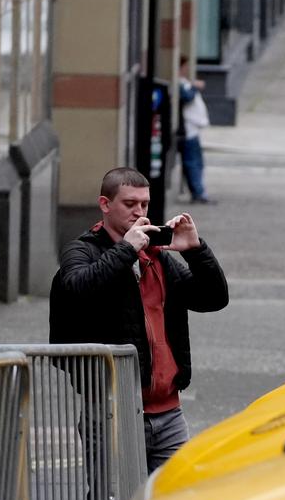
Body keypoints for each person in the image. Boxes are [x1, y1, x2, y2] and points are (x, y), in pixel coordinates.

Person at [50, 168, 229, 474]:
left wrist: (196, 250)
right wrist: (126, 249)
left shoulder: (157, 256)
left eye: (144, 204)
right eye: (129, 204)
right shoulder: (83, 250)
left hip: (168, 411)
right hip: (112, 409)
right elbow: (77, 289)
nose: (139, 212)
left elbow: (212, 298)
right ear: (105, 204)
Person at [178, 59, 213, 204]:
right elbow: (186, 97)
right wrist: (194, 86)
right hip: (188, 130)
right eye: (185, 67)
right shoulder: (180, 84)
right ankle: (198, 193)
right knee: (192, 162)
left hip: (193, 130)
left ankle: (199, 191)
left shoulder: (184, 82)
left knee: (197, 162)